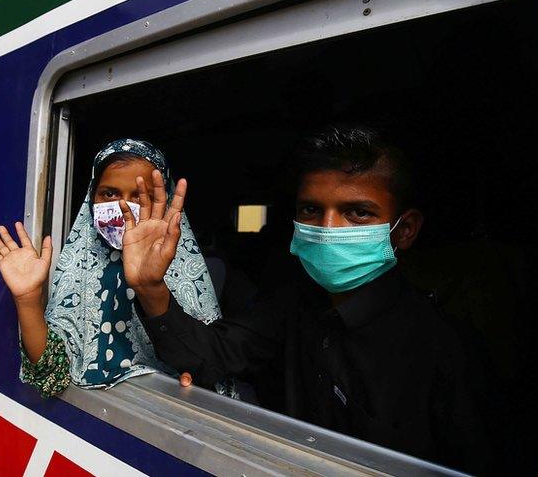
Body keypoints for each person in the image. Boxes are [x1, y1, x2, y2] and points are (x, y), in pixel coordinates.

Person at [123, 125, 491, 472]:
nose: (328, 230)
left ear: (404, 230)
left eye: (358, 213)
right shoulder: (294, 304)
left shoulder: (445, 349)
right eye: (311, 210)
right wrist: (151, 287)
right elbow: (212, 354)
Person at [0, 139, 225, 398]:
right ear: (92, 198)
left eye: (139, 195)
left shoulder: (184, 277)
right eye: (109, 194)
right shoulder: (79, 271)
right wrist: (28, 300)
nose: (122, 207)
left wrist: (151, 288)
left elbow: (209, 377)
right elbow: (51, 377)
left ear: (163, 201)